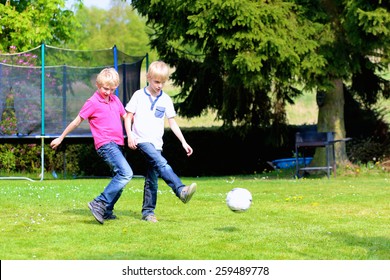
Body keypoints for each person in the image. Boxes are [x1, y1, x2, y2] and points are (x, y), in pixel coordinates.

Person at [50, 68, 133, 224]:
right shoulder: (92, 102)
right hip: (106, 145)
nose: (108, 92)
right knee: (126, 173)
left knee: (119, 179)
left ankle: (106, 211)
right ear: (97, 85)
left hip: (118, 144)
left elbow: (126, 117)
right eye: (105, 89)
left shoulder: (115, 100)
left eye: (112, 89)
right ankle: (99, 202)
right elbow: (77, 121)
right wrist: (61, 138)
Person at [124, 60, 196, 223]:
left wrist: (183, 142)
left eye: (163, 82)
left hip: (157, 145)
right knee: (162, 164)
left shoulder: (166, 100)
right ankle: (181, 190)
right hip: (141, 141)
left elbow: (172, 122)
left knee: (152, 179)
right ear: (148, 77)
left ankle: (148, 212)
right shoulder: (138, 95)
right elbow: (128, 116)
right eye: (157, 82)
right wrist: (130, 135)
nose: (159, 86)